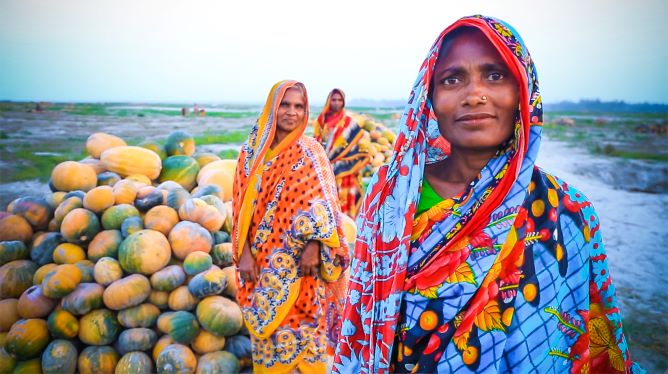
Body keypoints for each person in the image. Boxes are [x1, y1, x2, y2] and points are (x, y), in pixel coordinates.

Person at [333, 15, 643, 373]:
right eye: (452, 79)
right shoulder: (391, 195)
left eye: (495, 75)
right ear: (429, 97)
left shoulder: (568, 211)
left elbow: (587, 340)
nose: (474, 94)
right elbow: (363, 316)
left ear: (523, 92)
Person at [232, 80, 350, 373]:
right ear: (272, 107)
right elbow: (239, 206)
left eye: (299, 106)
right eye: (285, 105)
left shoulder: (312, 152)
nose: (292, 112)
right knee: (268, 335)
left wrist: (314, 246)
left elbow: (325, 203)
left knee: (309, 329)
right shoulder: (250, 154)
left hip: (303, 264)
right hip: (261, 261)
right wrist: (244, 253)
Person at [314, 89, 370, 219]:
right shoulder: (321, 120)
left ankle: (347, 227)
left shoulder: (349, 122)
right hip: (325, 167)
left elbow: (356, 145)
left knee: (345, 198)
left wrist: (350, 162)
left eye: (340, 100)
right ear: (329, 101)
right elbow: (317, 141)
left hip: (346, 169)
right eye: (334, 100)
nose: (337, 103)